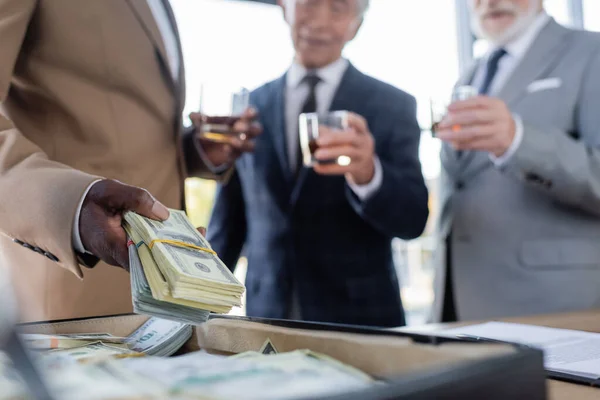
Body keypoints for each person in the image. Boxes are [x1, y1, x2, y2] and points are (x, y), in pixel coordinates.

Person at [0, 0, 259, 321]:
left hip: (167, 292)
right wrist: (73, 206)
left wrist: (193, 150)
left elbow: (122, 126)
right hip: (77, 290)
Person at [207, 0, 429, 327]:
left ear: (357, 23)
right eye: (309, 3)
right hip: (266, 312)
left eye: (338, 8)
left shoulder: (394, 105)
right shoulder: (250, 106)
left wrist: (368, 175)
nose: (320, 21)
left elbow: (412, 220)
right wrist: (200, 306)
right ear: (285, 8)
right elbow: (228, 220)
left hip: (361, 318)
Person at [434, 0, 600, 322]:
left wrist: (519, 141)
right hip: (461, 302)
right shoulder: (471, 73)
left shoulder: (592, 52)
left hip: (556, 303)